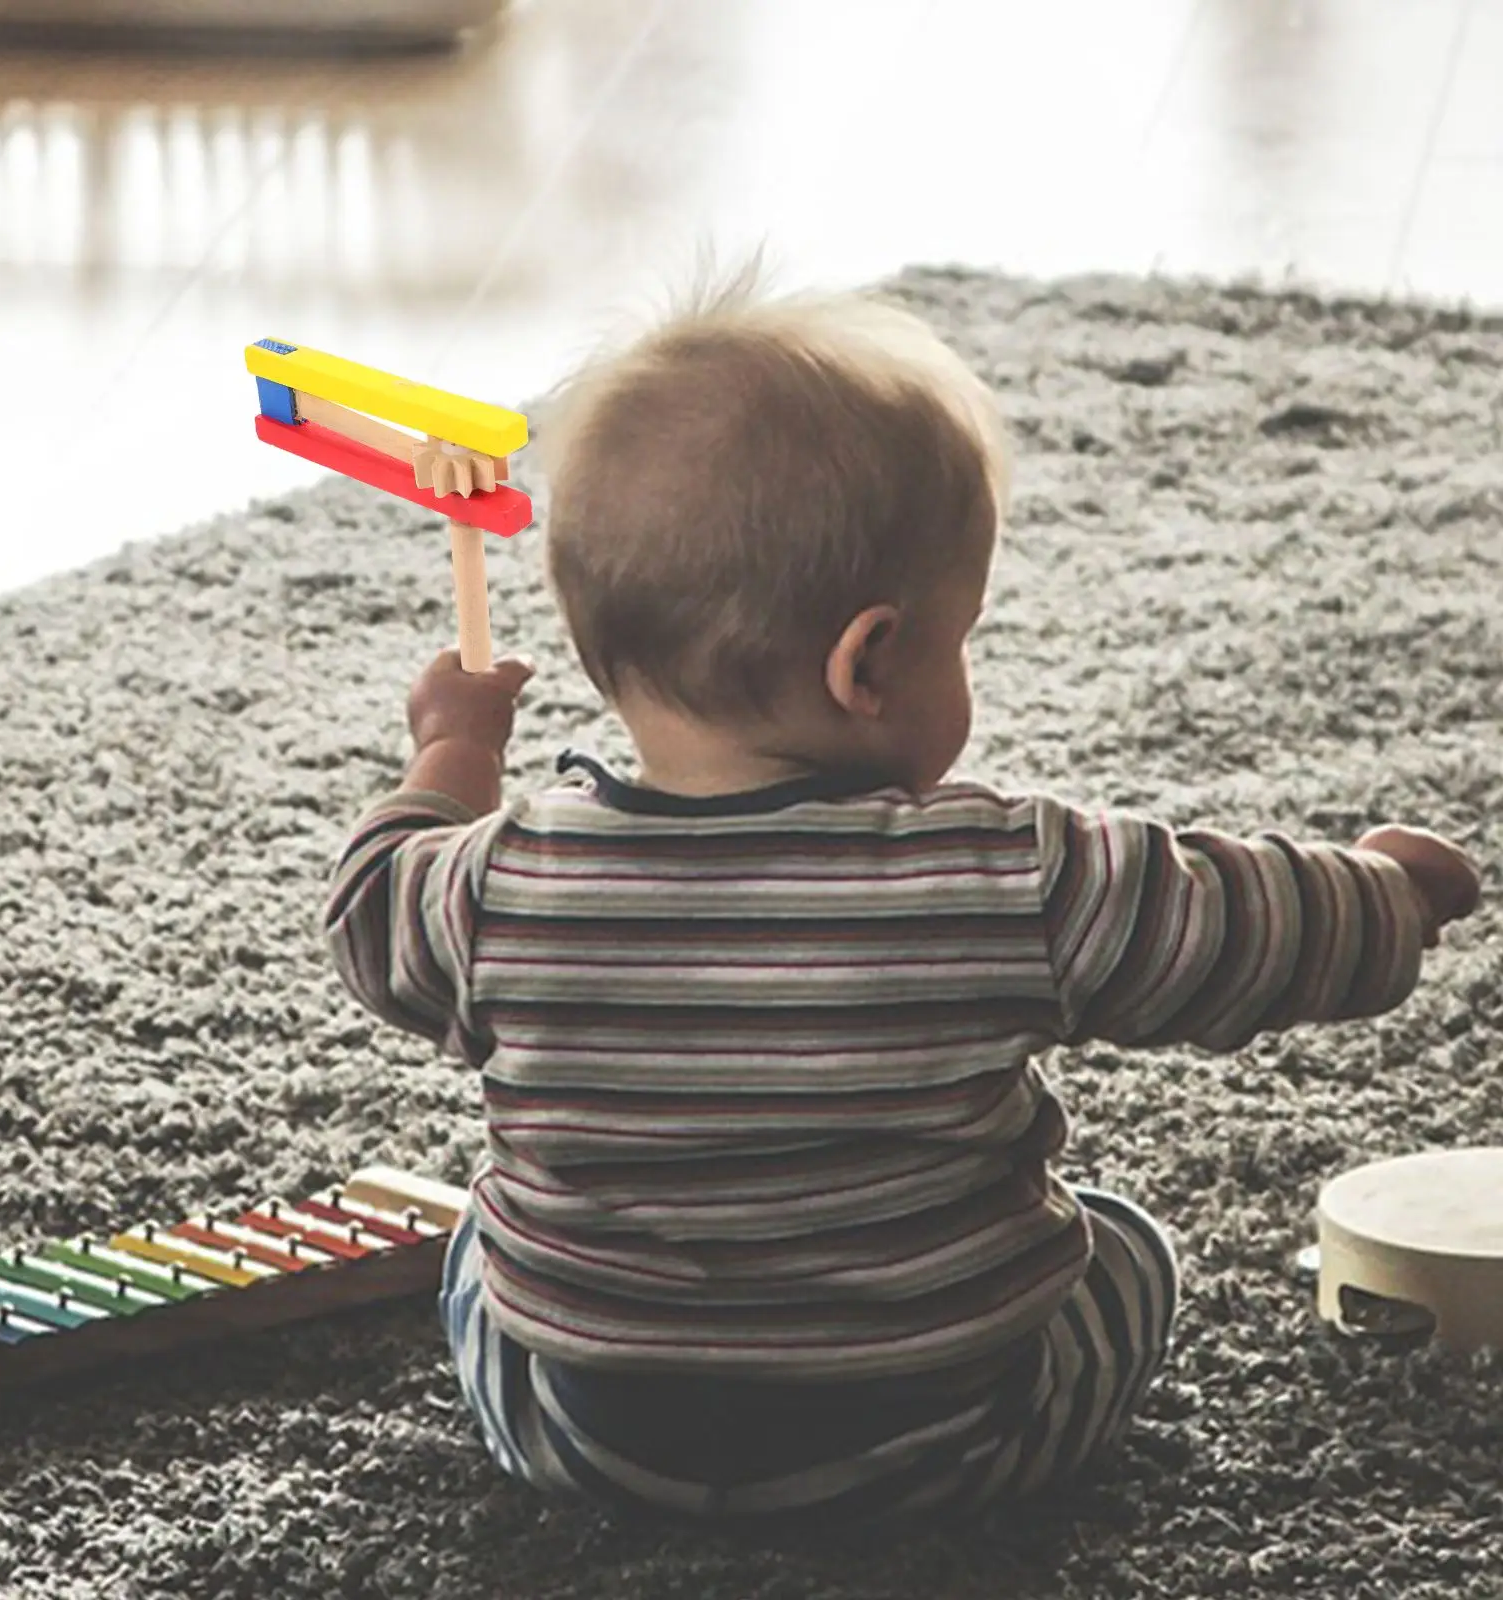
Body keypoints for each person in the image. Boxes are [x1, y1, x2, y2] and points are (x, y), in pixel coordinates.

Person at [324, 273, 1481, 1527]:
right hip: (944, 1441)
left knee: (474, 1256)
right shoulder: (1004, 875)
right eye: (961, 634)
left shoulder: (497, 886)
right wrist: (1387, 895)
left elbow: (370, 908)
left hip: (596, 1440)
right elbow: (1233, 922)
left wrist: (452, 753)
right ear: (869, 659)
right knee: (1129, 1245)